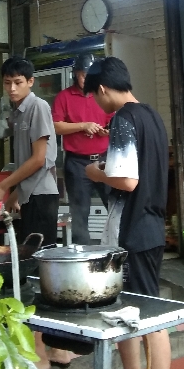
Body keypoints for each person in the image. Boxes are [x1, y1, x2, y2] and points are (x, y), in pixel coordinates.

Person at [84, 56, 173, 369]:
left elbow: (127, 180)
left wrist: (95, 172)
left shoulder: (122, 118)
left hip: (134, 232)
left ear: (103, 89)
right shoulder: (152, 116)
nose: (97, 104)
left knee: (150, 320)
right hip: (148, 227)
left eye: (95, 96)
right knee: (127, 316)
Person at [0, 56, 73, 369]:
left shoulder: (38, 107)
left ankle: (47, 350)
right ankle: (53, 348)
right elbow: (27, 163)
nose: (12, 88)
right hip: (31, 196)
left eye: (18, 82)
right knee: (36, 271)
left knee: (38, 273)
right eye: (7, 83)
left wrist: (4, 186)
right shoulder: (18, 111)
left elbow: (39, 160)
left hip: (42, 197)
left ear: (30, 82)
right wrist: (13, 197)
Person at [52, 52, 110, 245]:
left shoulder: (103, 94)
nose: (87, 79)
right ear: (75, 74)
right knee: (79, 213)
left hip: (104, 159)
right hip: (77, 163)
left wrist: (106, 130)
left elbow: (113, 121)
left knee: (116, 206)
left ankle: (119, 251)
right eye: (84, 75)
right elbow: (56, 126)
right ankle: (83, 256)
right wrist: (83, 126)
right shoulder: (64, 97)